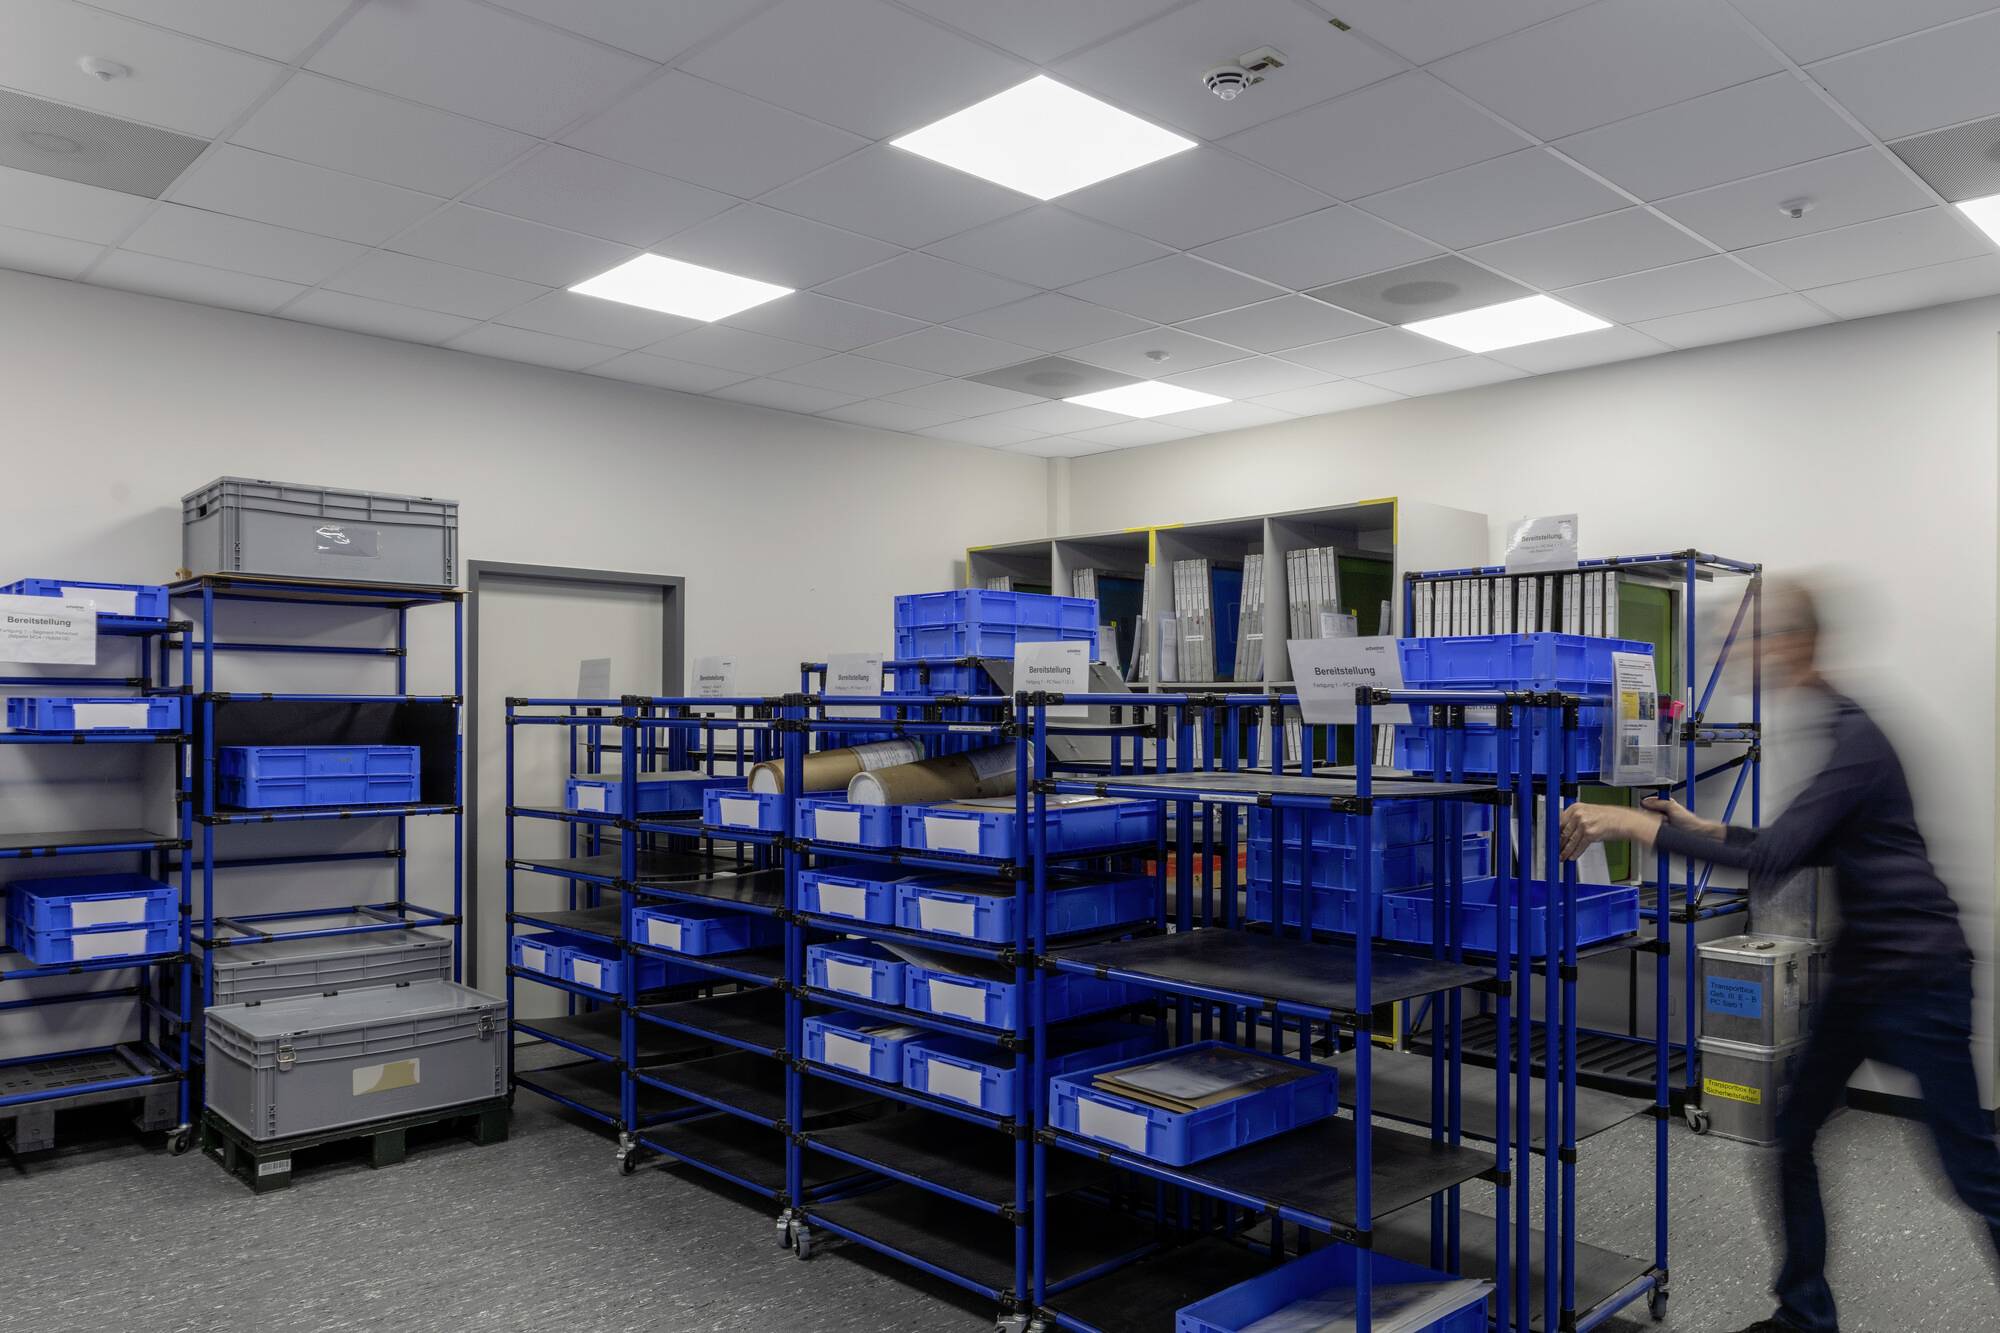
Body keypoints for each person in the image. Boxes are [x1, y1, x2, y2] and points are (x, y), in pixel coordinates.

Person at [1559, 578, 2000, 1333]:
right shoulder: (1835, 724)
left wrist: (1635, 826)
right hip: (1868, 973)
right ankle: (1804, 1313)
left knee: (1970, 1172)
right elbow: (1793, 845)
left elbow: (1781, 857)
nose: (1744, 651)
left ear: (1795, 642)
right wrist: (1708, 826)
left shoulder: (1855, 736)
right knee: (1792, 1132)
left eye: (1755, 636)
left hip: (1920, 978)